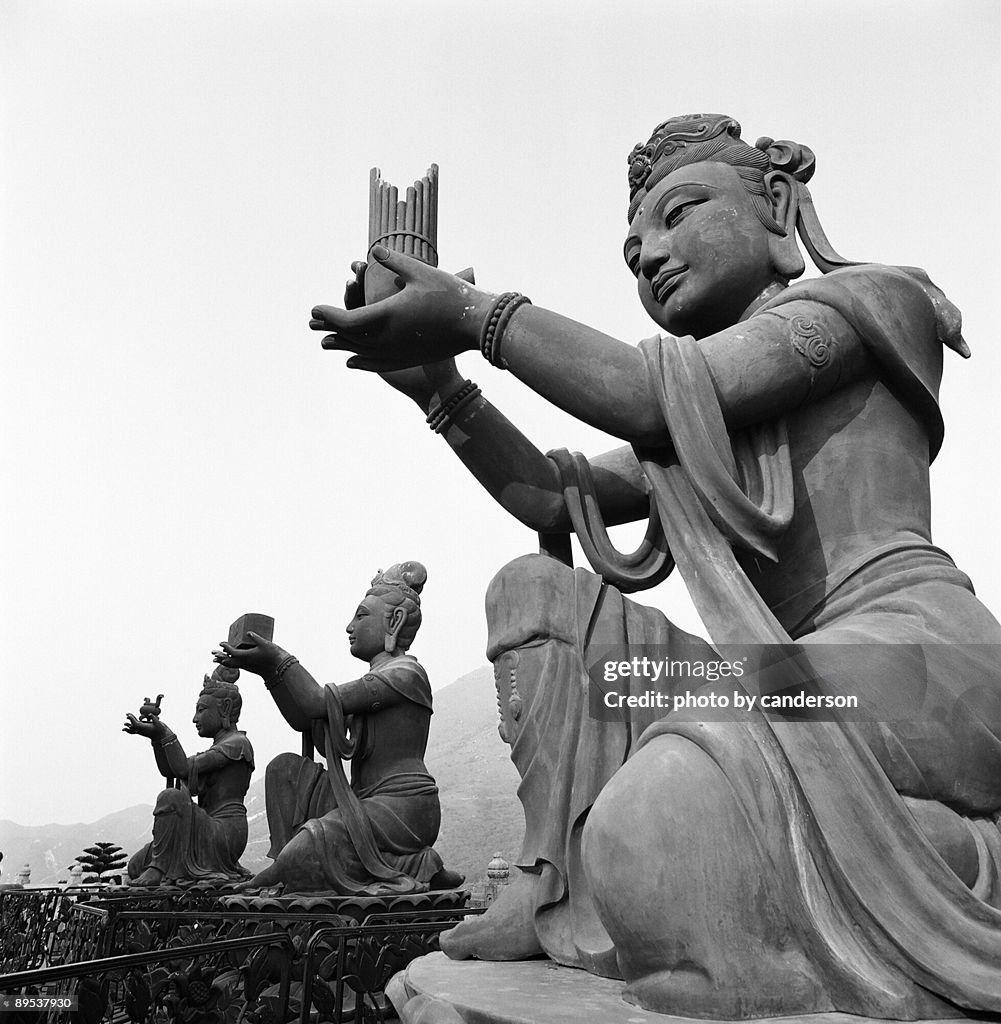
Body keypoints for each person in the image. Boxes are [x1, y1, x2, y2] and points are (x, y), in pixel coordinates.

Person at [308, 114, 1001, 1017]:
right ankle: (550, 877)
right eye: (634, 251)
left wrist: (481, 318)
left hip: (915, 654)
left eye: (678, 215)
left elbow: (648, 392)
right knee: (531, 589)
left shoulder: (861, 310)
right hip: (784, 673)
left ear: (778, 206)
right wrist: (443, 389)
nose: (652, 256)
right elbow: (556, 501)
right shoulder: (700, 412)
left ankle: (936, 861)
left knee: (660, 820)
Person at [215, 562, 461, 895]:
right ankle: (285, 866)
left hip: (402, 808)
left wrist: (278, 659)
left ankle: (285, 871)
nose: (349, 627)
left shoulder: (405, 675)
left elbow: (317, 701)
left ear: (395, 621)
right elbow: (307, 719)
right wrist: (267, 674)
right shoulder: (374, 681)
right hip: (362, 800)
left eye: (361, 617)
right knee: (285, 770)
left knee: (309, 848)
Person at [124, 668, 254, 886]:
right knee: (136, 866)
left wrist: (165, 733)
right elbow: (171, 771)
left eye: (202, 710)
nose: (195, 718)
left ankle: (158, 869)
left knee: (170, 797)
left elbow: (182, 768)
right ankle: (156, 867)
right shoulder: (217, 748)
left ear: (226, 709)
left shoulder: (237, 744)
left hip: (224, 833)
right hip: (203, 827)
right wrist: (156, 739)